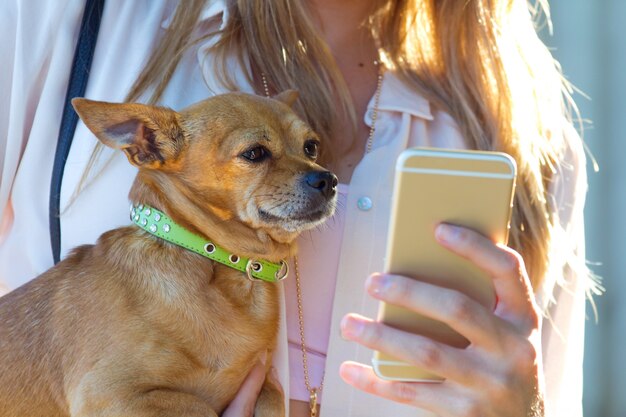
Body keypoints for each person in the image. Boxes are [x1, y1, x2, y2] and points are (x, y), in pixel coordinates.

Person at [0, 0, 594, 416]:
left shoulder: (525, 142)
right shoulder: (66, 20)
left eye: (309, 151)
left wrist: (526, 409)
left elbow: (551, 396)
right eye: (255, 154)